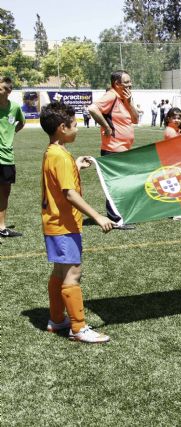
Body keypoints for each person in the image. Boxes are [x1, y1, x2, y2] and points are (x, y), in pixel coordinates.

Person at [39, 101, 115, 342]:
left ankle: (56, 319)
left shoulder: (54, 152)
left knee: (60, 272)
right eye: (74, 125)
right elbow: (68, 193)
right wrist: (97, 215)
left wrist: (76, 166)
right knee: (73, 272)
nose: (78, 129)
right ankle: (78, 327)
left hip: (53, 223)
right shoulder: (60, 156)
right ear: (62, 127)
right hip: (64, 224)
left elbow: (58, 183)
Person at [88, 70, 139, 229]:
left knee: (122, 184)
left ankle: (120, 215)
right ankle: (115, 219)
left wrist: (129, 102)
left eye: (130, 81)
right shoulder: (111, 96)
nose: (130, 84)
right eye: (127, 82)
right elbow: (92, 109)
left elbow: (136, 119)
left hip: (124, 148)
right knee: (115, 185)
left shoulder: (123, 98)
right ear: (116, 84)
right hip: (113, 149)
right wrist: (106, 126)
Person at [0, 76, 26, 238]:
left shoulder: (15, 108)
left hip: (6, 157)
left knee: (4, 193)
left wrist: (11, 134)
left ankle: (1, 227)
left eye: (0, 88)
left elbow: (21, 123)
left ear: (8, 91)